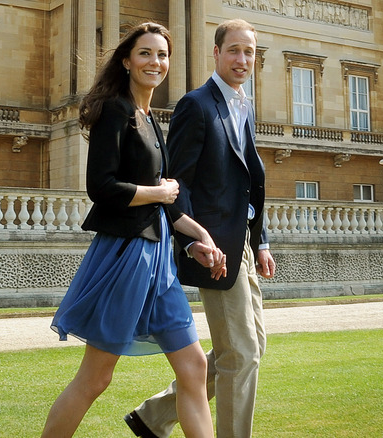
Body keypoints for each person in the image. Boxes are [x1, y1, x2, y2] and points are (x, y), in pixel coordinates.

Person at [41, 22, 225, 438]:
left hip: (159, 262)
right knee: (96, 378)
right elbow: (101, 188)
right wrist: (158, 193)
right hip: (126, 258)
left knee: (194, 367)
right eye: (145, 53)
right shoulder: (116, 110)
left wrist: (199, 237)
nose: (155, 62)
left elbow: (165, 203)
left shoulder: (149, 118)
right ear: (127, 60)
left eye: (162, 55)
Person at [124, 18, 276, 438]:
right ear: (216, 53)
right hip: (215, 249)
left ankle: (152, 417)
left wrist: (260, 240)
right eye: (234, 50)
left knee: (250, 348)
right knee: (241, 354)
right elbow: (178, 182)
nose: (242, 59)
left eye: (249, 52)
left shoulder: (245, 104)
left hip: (242, 244)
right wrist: (192, 242)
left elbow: (249, 181)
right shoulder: (197, 104)